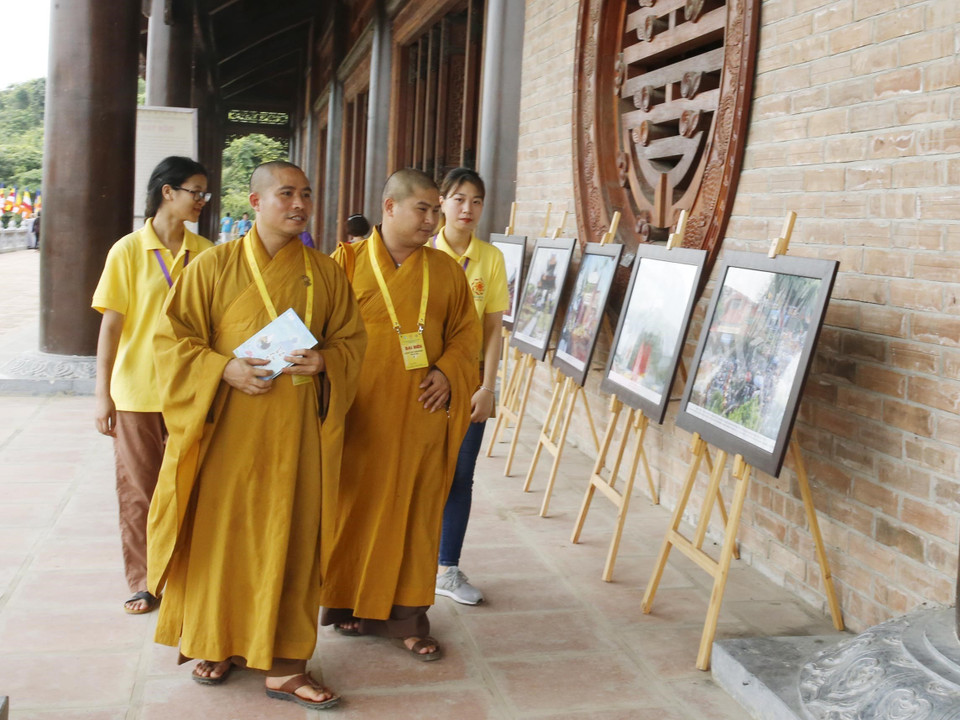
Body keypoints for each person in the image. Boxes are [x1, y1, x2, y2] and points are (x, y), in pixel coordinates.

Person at [147, 161, 366, 708]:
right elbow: (171, 341)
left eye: (307, 194)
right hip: (228, 433)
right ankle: (216, 641)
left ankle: (286, 666)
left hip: (296, 436)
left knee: (289, 541)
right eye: (286, 193)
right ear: (256, 201)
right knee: (223, 539)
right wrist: (223, 369)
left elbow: (353, 343)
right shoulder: (211, 266)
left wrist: (324, 363)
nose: (299, 204)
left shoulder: (326, 272)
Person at [319, 169, 480, 660]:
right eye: (424, 209)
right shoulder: (342, 264)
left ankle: (406, 619)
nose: (434, 221)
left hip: (419, 414)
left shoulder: (447, 270)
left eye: (437, 210)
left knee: (414, 514)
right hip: (358, 417)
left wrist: (450, 372)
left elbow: (466, 334)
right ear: (389, 208)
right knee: (353, 511)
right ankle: (346, 603)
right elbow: (315, 332)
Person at [92, 156, 214, 615]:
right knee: (140, 491)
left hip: (191, 392)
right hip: (138, 393)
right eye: (195, 191)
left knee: (191, 487)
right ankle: (145, 581)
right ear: (168, 192)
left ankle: (185, 574)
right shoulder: (127, 251)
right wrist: (102, 394)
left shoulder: (206, 252)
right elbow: (111, 328)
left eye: (204, 193)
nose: (202, 200)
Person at [432, 168, 509, 605]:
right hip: (423, 381)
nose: (467, 209)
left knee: (461, 474)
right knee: (418, 471)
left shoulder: (490, 259)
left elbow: (493, 328)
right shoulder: (423, 251)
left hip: (469, 382)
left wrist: (488, 387)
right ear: (442, 202)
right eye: (459, 199)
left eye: (476, 201)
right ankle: (407, 561)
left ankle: (447, 568)